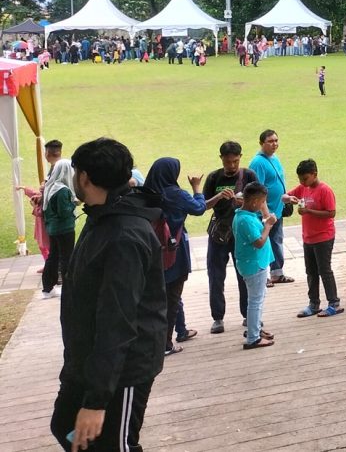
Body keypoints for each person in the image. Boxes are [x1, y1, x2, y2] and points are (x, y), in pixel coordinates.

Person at [50, 138, 166, 452]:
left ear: (84, 177)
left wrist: (97, 401)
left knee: (115, 446)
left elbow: (119, 321)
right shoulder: (100, 217)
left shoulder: (124, 236)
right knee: (64, 425)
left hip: (125, 367)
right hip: (88, 358)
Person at [141, 157, 207, 356]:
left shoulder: (146, 193)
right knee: (172, 296)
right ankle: (165, 344)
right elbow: (199, 208)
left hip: (151, 252)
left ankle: (181, 329)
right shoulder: (176, 194)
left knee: (159, 296)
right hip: (174, 251)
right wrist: (197, 189)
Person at [203, 141, 257, 334]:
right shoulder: (213, 178)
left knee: (244, 274)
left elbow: (259, 202)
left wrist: (244, 202)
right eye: (228, 162)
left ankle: (247, 314)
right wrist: (218, 197)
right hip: (219, 232)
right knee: (215, 275)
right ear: (221, 159)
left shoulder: (249, 175)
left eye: (235, 161)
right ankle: (217, 318)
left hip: (241, 233)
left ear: (240, 157)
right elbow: (203, 206)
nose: (232, 166)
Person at [285, 159, 341, 317]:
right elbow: (285, 196)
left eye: (305, 179)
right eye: (300, 180)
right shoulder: (303, 188)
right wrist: (290, 199)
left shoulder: (325, 190)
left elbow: (331, 213)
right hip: (308, 237)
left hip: (323, 237)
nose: (302, 182)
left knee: (325, 270)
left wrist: (309, 211)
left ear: (314, 174)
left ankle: (333, 303)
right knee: (311, 272)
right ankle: (314, 303)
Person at [233, 182, 277, 350]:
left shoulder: (242, 215)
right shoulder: (245, 220)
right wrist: (268, 225)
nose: (262, 206)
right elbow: (258, 242)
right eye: (262, 202)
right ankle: (253, 337)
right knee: (255, 301)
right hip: (254, 265)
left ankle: (256, 329)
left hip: (255, 263)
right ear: (253, 202)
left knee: (258, 298)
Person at [248, 130, 293, 287]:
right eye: (270, 141)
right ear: (261, 144)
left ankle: (277, 273)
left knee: (276, 241)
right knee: (263, 243)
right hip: (265, 213)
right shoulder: (258, 163)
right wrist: (265, 214)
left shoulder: (274, 158)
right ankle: (263, 276)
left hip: (277, 209)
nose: (274, 144)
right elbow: (257, 191)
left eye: (276, 140)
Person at [39, 158, 76, 299]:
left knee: (53, 256)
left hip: (53, 228)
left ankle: (47, 288)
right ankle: (69, 289)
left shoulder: (50, 186)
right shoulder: (62, 190)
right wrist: (74, 203)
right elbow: (64, 212)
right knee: (67, 257)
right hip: (64, 228)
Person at [21, 138, 63, 263]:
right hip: (54, 215)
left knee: (55, 245)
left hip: (54, 216)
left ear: (47, 154)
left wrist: (39, 196)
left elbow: (50, 193)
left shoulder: (57, 169)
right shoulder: (58, 167)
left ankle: (57, 272)